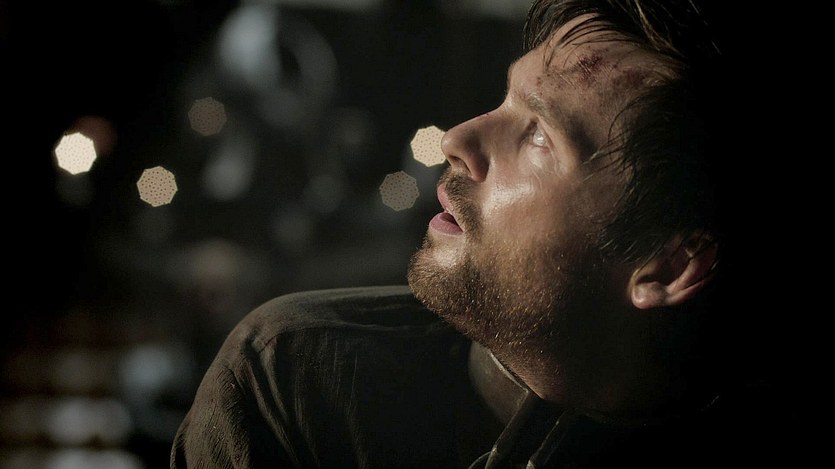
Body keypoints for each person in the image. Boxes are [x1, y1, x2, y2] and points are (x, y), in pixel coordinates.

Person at [171, 1, 799, 467]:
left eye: (540, 136)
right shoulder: (301, 382)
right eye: (506, 99)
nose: (458, 140)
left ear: (668, 266)